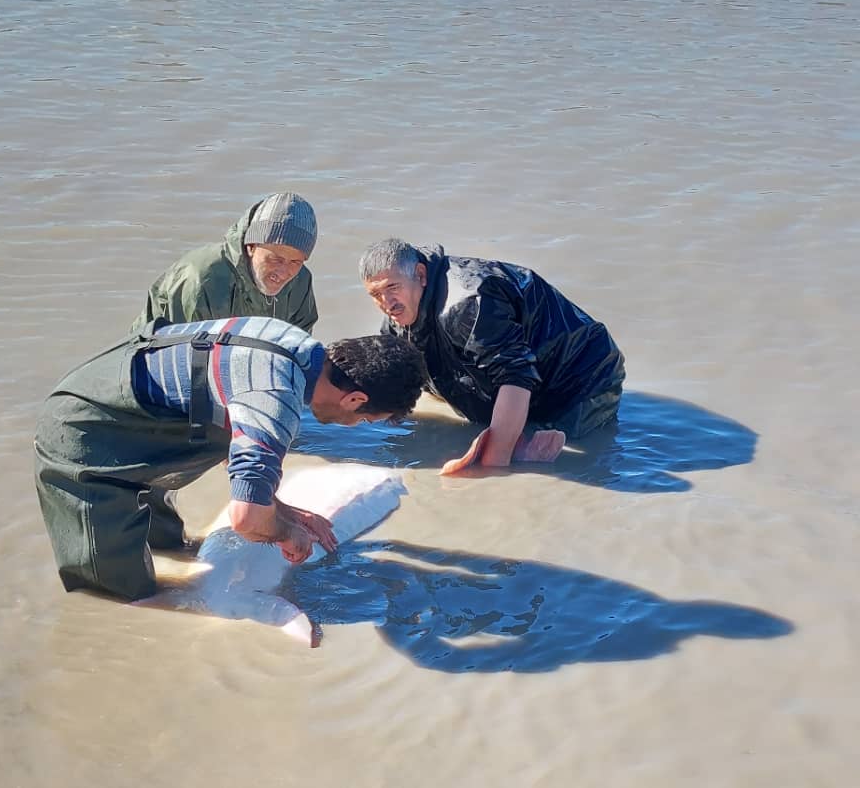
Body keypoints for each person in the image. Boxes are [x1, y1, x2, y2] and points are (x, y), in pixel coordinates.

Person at [34, 316, 426, 601]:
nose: (355, 427)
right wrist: (288, 533)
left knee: (169, 542)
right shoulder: (276, 400)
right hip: (84, 434)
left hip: (133, 403)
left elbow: (234, 430)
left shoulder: (290, 342)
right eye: (365, 420)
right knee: (122, 597)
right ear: (355, 398)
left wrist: (282, 509)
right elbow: (246, 520)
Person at [359, 238, 626, 472]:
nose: (386, 302)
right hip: (518, 367)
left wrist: (494, 467)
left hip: (581, 376)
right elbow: (394, 374)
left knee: (575, 454)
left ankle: (519, 442)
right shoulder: (397, 314)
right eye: (375, 294)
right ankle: (512, 432)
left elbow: (516, 375)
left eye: (392, 287)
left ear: (420, 275)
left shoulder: (468, 302)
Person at [131, 192, 320, 335]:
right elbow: (177, 356)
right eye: (275, 258)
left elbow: (299, 348)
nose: (283, 272)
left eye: (295, 261)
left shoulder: (300, 281)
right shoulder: (200, 279)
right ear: (251, 247)